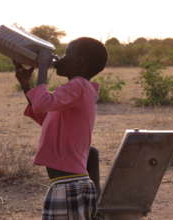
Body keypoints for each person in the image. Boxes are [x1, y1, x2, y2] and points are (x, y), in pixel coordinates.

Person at [13, 37, 107, 220]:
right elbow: (45, 117)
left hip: (68, 185)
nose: (60, 59)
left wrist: (42, 69)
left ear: (80, 63)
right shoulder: (79, 90)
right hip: (67, 184)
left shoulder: (78, 86)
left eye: (67, 54)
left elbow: (41, 104)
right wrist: (26, 85)